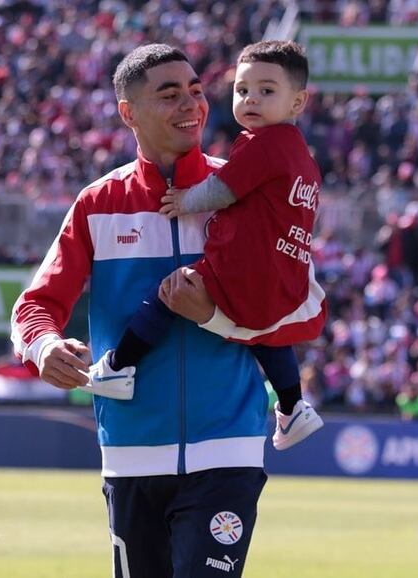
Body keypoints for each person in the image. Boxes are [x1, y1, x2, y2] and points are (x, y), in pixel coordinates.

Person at [11, 44, 273, 578]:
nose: (191, 106)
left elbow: (295, 307)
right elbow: (36, 305)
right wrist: (44, 346)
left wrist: (215, 315)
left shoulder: (247, 194)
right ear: (128, 112)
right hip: (131, 457)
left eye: (196, 92)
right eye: (169, 94)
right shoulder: (97, 204)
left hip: (228, 450)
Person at [89, 40, 327, 450]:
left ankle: (119, 366)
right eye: (242, 90)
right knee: (266, 333)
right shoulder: (302, 157)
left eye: (267, 91)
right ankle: (292, 406)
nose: (251, 99)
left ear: (298, 102)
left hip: (245, 266)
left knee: (170, 292)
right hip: (286, 274)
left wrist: (184, 201)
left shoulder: (264, 143)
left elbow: (223, 188)